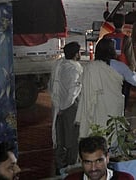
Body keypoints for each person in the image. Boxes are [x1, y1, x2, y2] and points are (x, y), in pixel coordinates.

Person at [76, 38, 136, 139]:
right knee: (113, 133)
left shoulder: (90, 67)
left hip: (95, 105)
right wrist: (134, 72)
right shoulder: (120, 66)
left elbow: (82, 85)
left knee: (96, 130)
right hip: (113, 105)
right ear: (112, 51)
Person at [48, 41, 83, 174]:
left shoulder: (58, 64)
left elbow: (51, 85)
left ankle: (60, 165)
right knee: (72, 138)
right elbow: (73, 91)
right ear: (75, 54)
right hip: (69, 107)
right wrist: (65, 106)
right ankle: (71, 167)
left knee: (59, 137)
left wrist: (58, 105)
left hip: (57, 106)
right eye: (79, 52)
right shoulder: (75, 68)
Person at [103, 14, 136, 110]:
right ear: (124, 24)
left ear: (113, 23)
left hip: (109, 69)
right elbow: (130, 57)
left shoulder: (106, 37)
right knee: (124, 94)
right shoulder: (126, 38)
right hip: (123, 69)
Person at [64, 136, 133, 180]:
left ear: (107, 158)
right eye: (88, 162)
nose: (93, 168)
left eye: (99, 161)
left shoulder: (125, 178)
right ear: (81, 161)